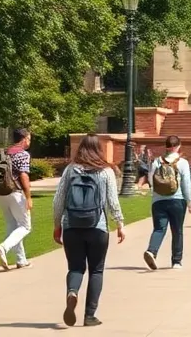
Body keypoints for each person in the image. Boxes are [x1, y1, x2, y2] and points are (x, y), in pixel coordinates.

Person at [54, 133, 125, 328]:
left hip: (72, 226)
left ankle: (72, 292)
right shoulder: (105, 172)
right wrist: (119, 223)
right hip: (97, 227)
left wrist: (57, 225)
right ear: (99, 149)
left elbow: (58, 200)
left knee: (75, 267)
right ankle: (90, 315)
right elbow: (112, 201)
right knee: (97, 270)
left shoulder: (70, 169)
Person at [143, 134, 191, 271]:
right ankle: (176, 261)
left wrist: (156, 194)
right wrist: (189, 202)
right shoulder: (182, 163)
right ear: (178, 146)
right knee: (177, 231)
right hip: (177, 200)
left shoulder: (157, 162)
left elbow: (151, 180)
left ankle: (151, 251)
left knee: (159, 229)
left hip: (158, 202)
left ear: (166, 146)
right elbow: (186, 184)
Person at [0, 127, 33, 270]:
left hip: (1, 192)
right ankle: (4, 247)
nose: (29, 141)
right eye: (29, 138)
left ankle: (21, 259)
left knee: (12, 225)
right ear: (23, 138)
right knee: (25, 226)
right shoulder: (23, 154)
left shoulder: (5, 152)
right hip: (15, 192)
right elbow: (23, 175)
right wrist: (28, 196)